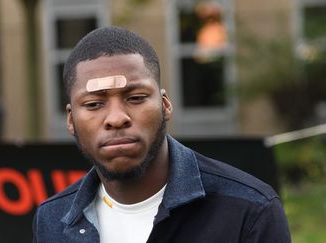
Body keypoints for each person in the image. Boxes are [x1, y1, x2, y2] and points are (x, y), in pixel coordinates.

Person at [33, 26, 291, 242]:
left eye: (135, 98)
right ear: (71, 120)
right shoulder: (52, 220)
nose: (116, 118)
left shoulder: (249, 209)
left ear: (165, 105)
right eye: (93, 104)